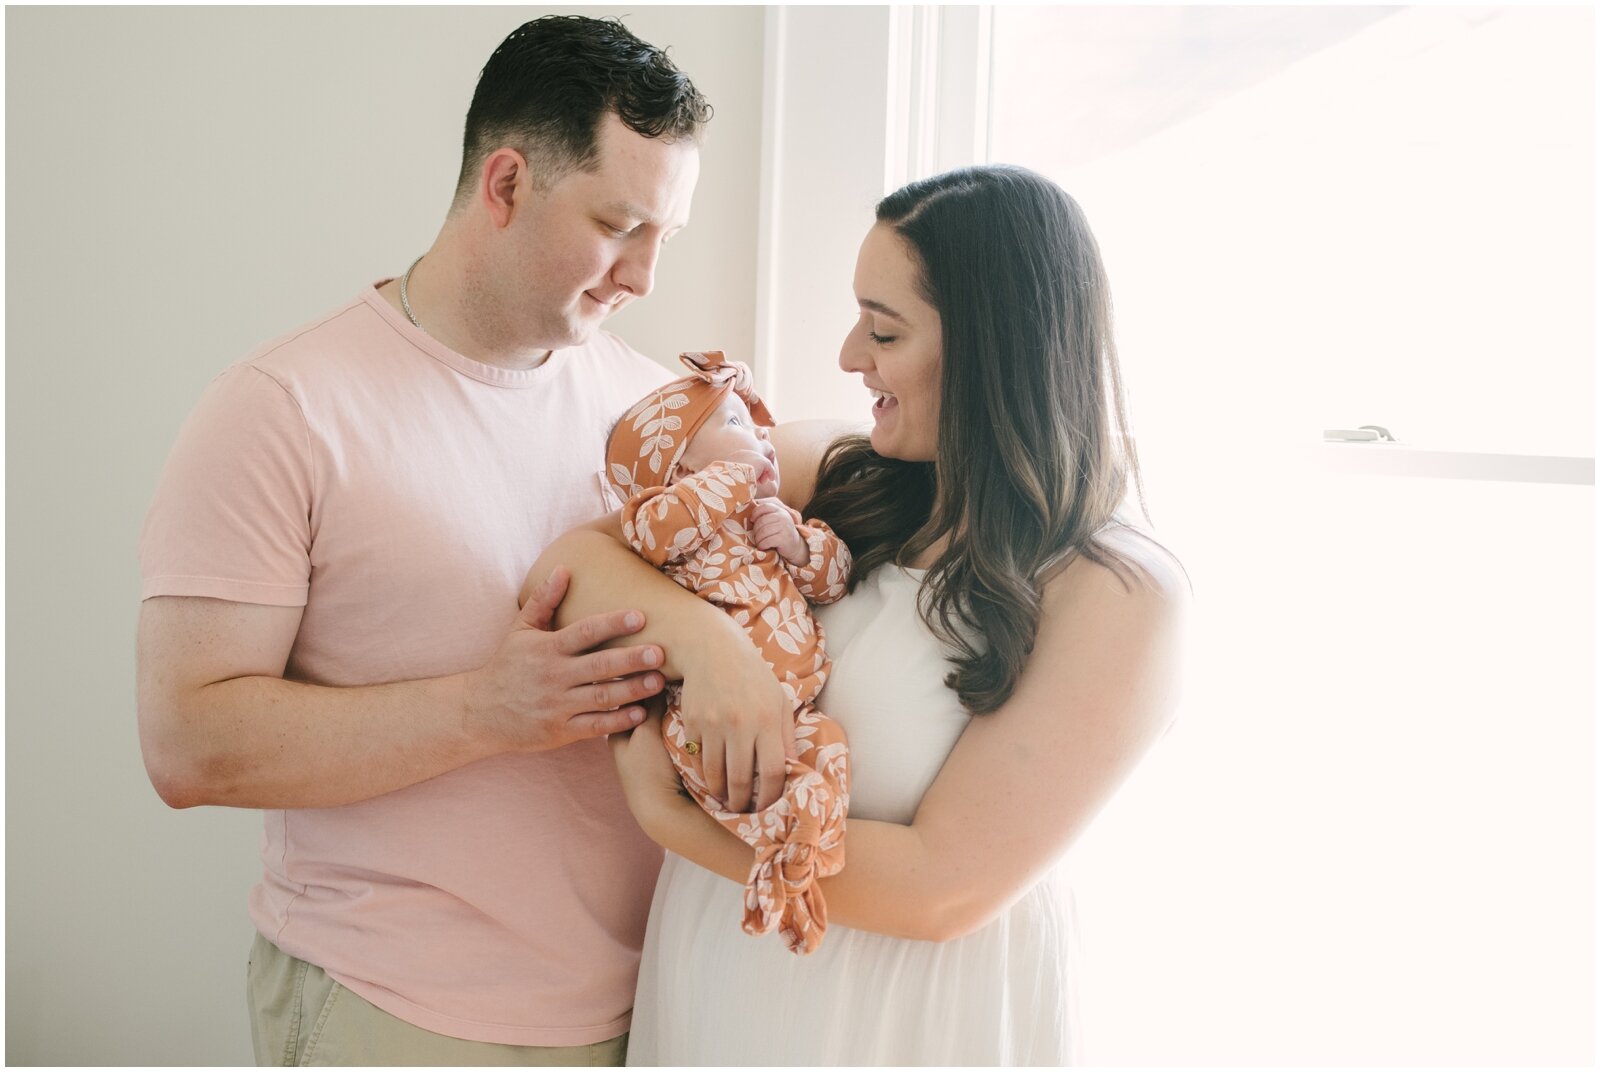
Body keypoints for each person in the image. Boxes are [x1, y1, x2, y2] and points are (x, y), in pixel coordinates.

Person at [134, 16, 783, 1066]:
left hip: (651, 1015)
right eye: (620, 225)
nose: (644, 277)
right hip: (397, 1012)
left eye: (666, 236)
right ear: (507, 182)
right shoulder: (281, 407)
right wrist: (484, 709)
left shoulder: (660, 414)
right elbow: (184, 745)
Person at [527, 164, 1189, 1065]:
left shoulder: (1116, 591)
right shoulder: (831, 476)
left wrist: (669, 817)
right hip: (724, 981)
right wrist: (713, 649)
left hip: (899, 1022)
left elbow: (940, 889)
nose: (847, 355)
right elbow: (574, 562)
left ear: (995, 351)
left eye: (883, 328)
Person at [599, 349, 852, 955]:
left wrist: (797, 545)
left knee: (830, 748)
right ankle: (776, 849)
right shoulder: (663, 521)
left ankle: (797, 853)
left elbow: (835, 579)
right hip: (704, 717)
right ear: (678, 463)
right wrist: (733, 477)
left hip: (795, 709)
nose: (763, 437)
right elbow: (659, 533)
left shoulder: (773, 517)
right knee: (737, 783)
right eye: (737, 425)